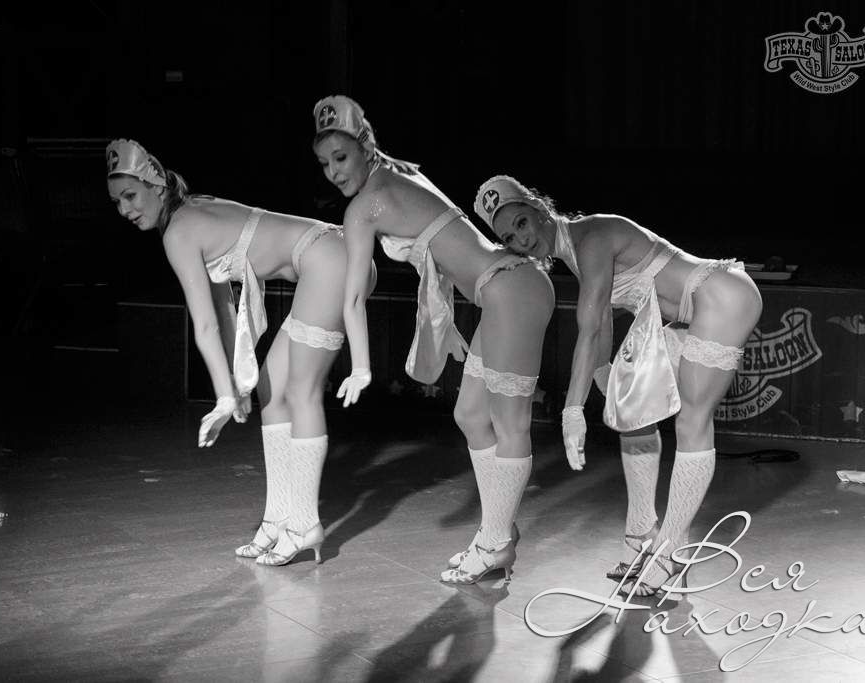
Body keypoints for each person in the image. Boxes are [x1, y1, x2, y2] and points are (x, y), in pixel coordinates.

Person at [475, 175, 762, 596]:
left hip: (722, 296)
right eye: (509, 238)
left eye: (521, 223)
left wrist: (573, 410)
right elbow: (605, 318)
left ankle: (670, 555)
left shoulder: (592, 235)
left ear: (539, 208)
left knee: (692, 420)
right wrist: (603, 375)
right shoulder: (576, 252)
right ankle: (640, 536)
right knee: (634, 416)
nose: (522, 239)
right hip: (690, 314)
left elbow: (590, 325)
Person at [311, 97, 555, 584]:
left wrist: (361, 366)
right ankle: (497, 531)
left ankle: (495, 542)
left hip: (510, 292)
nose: (333, 172)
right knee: (470, 415)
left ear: (366, 147)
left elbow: (353, 296)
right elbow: (442, 253)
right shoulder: (398, 175)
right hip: (504, 290)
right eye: (323, 163)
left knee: (510, 424)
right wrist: (448, 324)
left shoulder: (365, 206)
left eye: (340, 157)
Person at [106, 138, 372, 566]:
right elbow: (222, 307)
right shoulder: (189, 212)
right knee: (269, 389)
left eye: (130, 195)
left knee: (300, 392)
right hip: (330, 255)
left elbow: (205, 325)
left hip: (332, 260)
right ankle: (277, 519)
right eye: (117, 201)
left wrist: (224, 399)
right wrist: (237, 382)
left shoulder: (178, 231)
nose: (124, 209)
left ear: (155, 184)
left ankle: (305, 523)